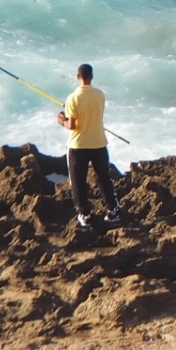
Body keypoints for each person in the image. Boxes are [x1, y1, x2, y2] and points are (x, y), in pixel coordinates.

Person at [56, 63, 119, 229]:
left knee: (78, 181)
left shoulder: (72, 98)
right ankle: (113, 211)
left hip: (78, 146)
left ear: (78, 77)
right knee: (104, 178)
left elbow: (72, 125)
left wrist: (62, 120)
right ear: (92, 77)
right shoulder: (100, 95)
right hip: (99, 142)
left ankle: (85, 215)